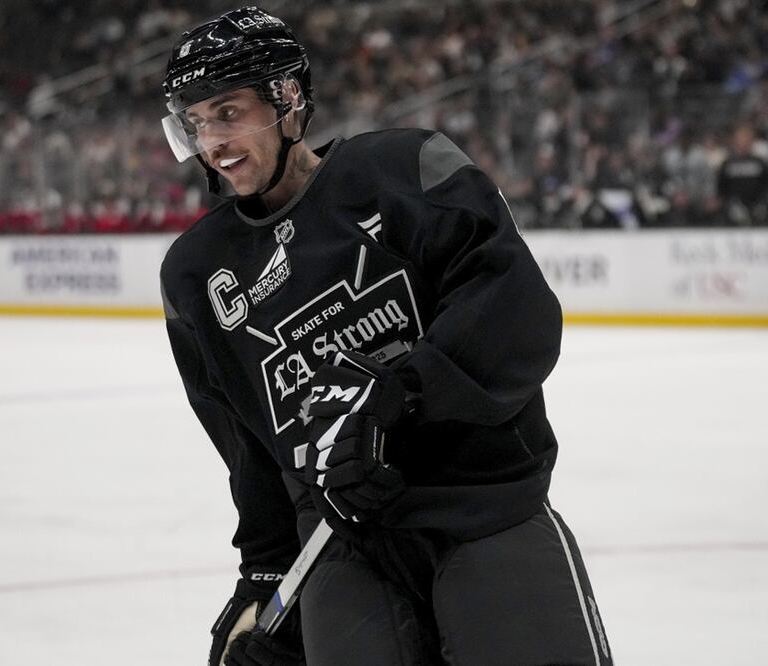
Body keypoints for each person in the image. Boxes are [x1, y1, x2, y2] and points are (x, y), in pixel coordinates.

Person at [157, 7, 612, 666]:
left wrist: (399, 396)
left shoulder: (406, 169)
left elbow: (517, 314)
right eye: (196, 123)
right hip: (344, 545)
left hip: (479, 504)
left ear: (287, 100)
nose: (213, 142)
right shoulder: (195, 276)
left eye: (228, 112)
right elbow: (250, 449)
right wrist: (265, 576)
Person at [716, 123, 768, 227]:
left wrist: (762, 202)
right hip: (734, 208)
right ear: (735, 141)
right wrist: (731, 204)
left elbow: (767, 184)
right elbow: (721, 188)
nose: (744, 141)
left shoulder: (759, 162)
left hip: (757, 207)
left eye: (747, 138)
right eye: (741, 138)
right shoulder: (728, 163)